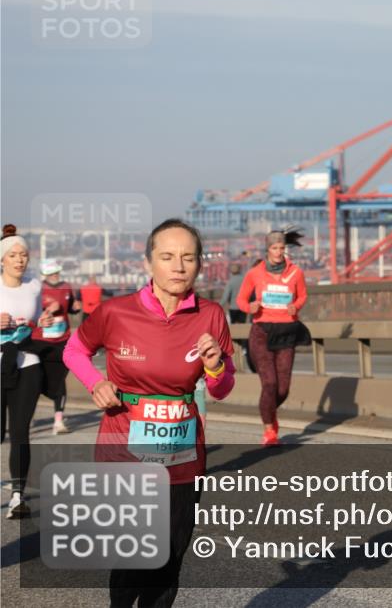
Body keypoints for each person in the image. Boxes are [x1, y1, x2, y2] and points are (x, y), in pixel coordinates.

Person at [63, 218, 235, 606]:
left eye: (188, 258)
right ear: (148, 263)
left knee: (171, 556)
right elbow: (74, 351)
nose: (178, 267)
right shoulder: (116, 312)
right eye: (168, 257)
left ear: (199, 264)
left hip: (182, 452)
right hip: (124, 447)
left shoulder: (210, 316)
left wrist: (214, 364)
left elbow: (222, 389)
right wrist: (97, 383)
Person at [1, 224, 57, 519]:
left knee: (21, 432)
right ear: (2, 259)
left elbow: (36, 323)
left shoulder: (35, 286)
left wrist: (43, 322)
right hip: (0, 365)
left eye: (24, 254)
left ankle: (17, 497)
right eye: (14, 255)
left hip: (27, 365)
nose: (20, 260)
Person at [237, 228, 308, 446]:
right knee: (269, 383)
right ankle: (269, 431)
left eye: (281, 248)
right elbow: (241, 300)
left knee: (283, 389)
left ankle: (269, 412)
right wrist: (250, 307)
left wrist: (295, 306)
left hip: (287, 331)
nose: (278, 252)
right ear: (267, 249)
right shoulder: (255, 273)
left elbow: (303, 295)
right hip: (261, 332)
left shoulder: (295, 272)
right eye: (274, 248)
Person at [32, 259, 81, 434]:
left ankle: (58, 422)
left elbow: (71, 307)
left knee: (60, 380)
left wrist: (75, 308)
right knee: (36, 380)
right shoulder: (37, 289)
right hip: (40, 342)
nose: (55, 276)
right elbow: (31, 313)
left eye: (57, 272)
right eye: (51, 273)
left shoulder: (66, 286)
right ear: (45, 275)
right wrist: (47, 309)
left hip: (62, 340)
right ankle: (29, 415)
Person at [219, 262, 254, 373]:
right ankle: (244, 347)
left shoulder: (231, 282)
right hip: (243, 307)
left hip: (234, 308)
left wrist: (218, 306)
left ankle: (236, 349)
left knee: (234, 330)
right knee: (243, 327)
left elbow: (225, 297)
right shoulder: (244, 279)